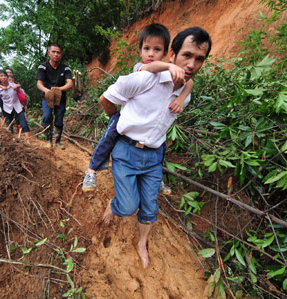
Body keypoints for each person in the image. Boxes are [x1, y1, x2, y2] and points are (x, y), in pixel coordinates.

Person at [101, 27, 212, 269]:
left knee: (150, 207)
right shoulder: (144, 77)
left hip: (153, 156)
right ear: (172, 54)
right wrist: (118, 122)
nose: (192, 64)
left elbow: (188, 83)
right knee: (128, 206)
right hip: (126, 151)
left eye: (199, 59)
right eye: (187, 55)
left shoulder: (185, 92)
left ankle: (142, 243)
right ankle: (114, 204)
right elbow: (106, 99)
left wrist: (182, 96)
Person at [82, 23, 193, 194]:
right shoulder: (140, 69)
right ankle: (91, 171)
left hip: (147, 121)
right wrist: (170, 66)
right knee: (107, 140)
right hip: (125, 116)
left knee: (159, 143)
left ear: (165, 53)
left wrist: (181, 97)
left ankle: (158, 179)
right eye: (146, 48)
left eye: (157, 49)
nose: (151, 54)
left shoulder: (167, 74)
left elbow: (190, 81)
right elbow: (153, 67)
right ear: (140, 51)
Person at [35, 43, 73, 147]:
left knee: (59, 120)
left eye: (58, 52)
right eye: (53, 52)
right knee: (47, 117)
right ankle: (48, 140)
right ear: (49, 53)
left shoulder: (65, 68)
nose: (56, 54)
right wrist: (46, 91)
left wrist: (58, 89)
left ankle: (57, 141)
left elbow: (70, 83)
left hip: (61, 98)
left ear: (61, 54)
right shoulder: (43, 67)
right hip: (47, 97)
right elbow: (39, 83)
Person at [0, 70, 30, 143]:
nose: (3, 77)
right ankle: (11, 142)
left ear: (7, 77)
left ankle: (28, 140)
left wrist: (18, 86)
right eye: (1, 76)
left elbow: (22, 92)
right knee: (9, 125)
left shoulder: (13, 85)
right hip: (7, 108)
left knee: (24, 123)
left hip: (18, 107)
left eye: (4, 76)